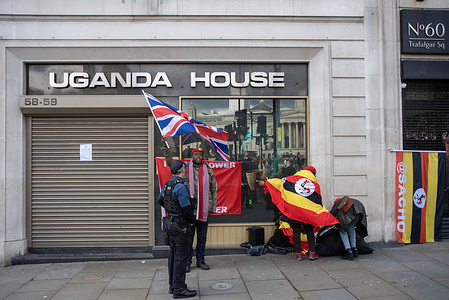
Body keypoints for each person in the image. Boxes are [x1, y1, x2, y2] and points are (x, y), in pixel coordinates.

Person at [258, 166, 338, 261]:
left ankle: (298, 254)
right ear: (313, 174)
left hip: (295, 211)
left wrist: (266, 182)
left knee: (296, 231)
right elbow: (317, 200)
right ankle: (312, 253)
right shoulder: (314, 183)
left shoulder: (293, 179)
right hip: (307, 212)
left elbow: (279, 182)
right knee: (309, 231)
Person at [163, 139, 217, 272]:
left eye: (200, 155)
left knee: (202, 237)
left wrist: (212, 208)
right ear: (192, 156)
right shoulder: (185, 169)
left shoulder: (208, 170)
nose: (198, 156)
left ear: (203, 157)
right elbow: (171, 164)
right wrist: (166, 150)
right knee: (188, 237)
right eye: (196, 154)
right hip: (190, 211)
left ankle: (201, 260)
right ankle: (187, 261)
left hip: (204, 210)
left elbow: (213, 189)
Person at [158, 160, 197, 298]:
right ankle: (179, 289)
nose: (185, 171)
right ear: (182, 170)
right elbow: (186, 208)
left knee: (173, 255)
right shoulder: (181, 187)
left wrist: (171, 210)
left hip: (170, 223)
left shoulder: (167, 185)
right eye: (184, 169)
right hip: (181, 225)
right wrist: (191, 221)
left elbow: (160, 200)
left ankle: (172, 285)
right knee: (181, 257)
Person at [330, 196, 368, 260]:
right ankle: (354, 249)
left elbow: (332, 214)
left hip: (351, 213)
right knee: (351, 227)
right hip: (359, 213)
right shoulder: (352, 200)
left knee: (342, 229)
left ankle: (348, 250)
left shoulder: (339, 202)